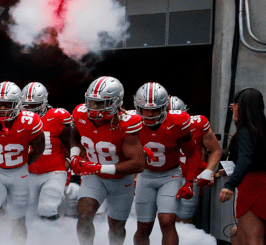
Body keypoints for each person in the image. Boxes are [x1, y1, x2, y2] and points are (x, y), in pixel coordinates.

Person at [71, 76, 145, 245]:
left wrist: (99, 167)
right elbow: (75, 134)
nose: (93, 108)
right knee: (84, 214)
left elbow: (138, 164)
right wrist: (75, 155)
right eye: (91, 102)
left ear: (116, 103)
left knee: (117, 226)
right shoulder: (81, 114)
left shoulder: (126, 124)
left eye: (100, 104)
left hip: (120, 180)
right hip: (94, 176)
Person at [0, 81, 45, 245]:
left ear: (18, 105)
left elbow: (39, 147)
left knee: (18, 218)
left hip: (19, 172)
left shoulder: (30, 121)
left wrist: (25, 163)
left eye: (7, 104)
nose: (2, 109)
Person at [130, 83, 197, 245]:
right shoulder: (131, 122)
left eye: (155, 109)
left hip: (170, 175)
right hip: (145, 175)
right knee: (144, 226)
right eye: (145, 109)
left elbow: (192, 153)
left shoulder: (178, 122)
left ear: (165, 108)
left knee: (167, 221)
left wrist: (188, 182)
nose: (150, 113)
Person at [219, 88, 266, 245]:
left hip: (253, 188)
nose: (232, 107)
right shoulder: (258, 129)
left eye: (235, 104)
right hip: (258, 184)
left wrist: (230, 184)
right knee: (236, 234)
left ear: (243, 106)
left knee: (252, 239)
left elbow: (245, 158)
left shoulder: (246, 132)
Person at [22, 82, 73, 220]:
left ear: (44, 102)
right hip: (28, 173)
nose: (30, 109)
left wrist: (69, 163)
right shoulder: (17, 119)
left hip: (54, 172)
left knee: (47, 207)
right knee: (26, 213)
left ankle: (51, 238)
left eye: (34, 105)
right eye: (26, 105)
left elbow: (72, 145)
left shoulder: (58, 117)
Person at [170, 96, 222, 224]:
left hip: (189, 177)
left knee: (185, 219)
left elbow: (215, 150)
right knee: (166, 218)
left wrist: (208, 170)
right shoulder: (151, 125)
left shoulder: (198, 124)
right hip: (166, 177)